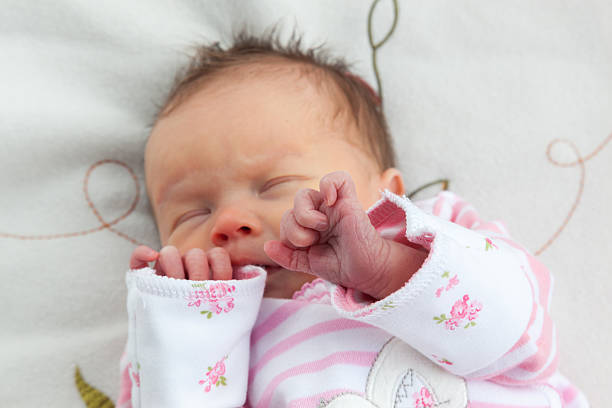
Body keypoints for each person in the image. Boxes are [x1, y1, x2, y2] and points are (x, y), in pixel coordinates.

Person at [117, 31, 587, 408]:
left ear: (388, 195)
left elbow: (525, 342)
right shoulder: (177, 331)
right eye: (192, 212)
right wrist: (191, 328)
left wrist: (390, 267)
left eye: (274, 185)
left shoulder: (435, 234)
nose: (229, 221)